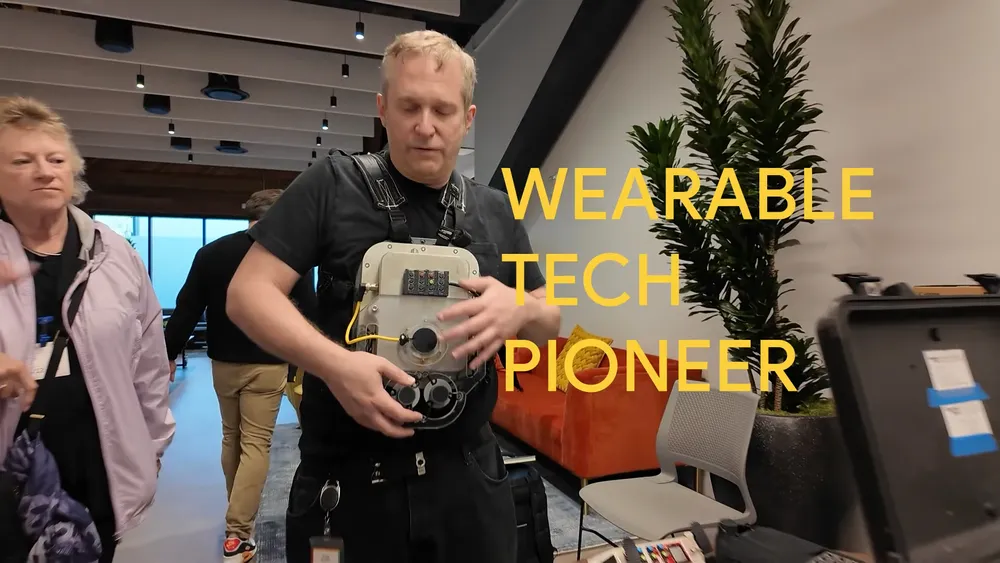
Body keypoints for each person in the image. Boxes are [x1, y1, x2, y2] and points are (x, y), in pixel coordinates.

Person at [226, 30, 561, 563]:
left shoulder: (497, 211)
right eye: (409, 107)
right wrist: (336, 365)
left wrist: (520, 308)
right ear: (383, 109)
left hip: (468, 478)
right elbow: (247, 293)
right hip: (349, 480)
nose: (425, 126)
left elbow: (550, 321)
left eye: (443, 110)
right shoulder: (331, 185)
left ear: (467, 119)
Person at [0, 95, 175, 562]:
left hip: (97, 457)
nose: (44, 171)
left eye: (56, 159)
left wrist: (151, 449)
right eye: (22, 161)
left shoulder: (112, 253)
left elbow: (148, 361)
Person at [162, 188, 317, 562]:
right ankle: (238, 534)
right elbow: (310, 312)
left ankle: (238, 520)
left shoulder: (211, 253)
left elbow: (186, 310)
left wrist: (167, 354)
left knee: (232, 437)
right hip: (268, 362)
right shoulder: (291, 256)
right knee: (256, 443)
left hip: (223, 365)